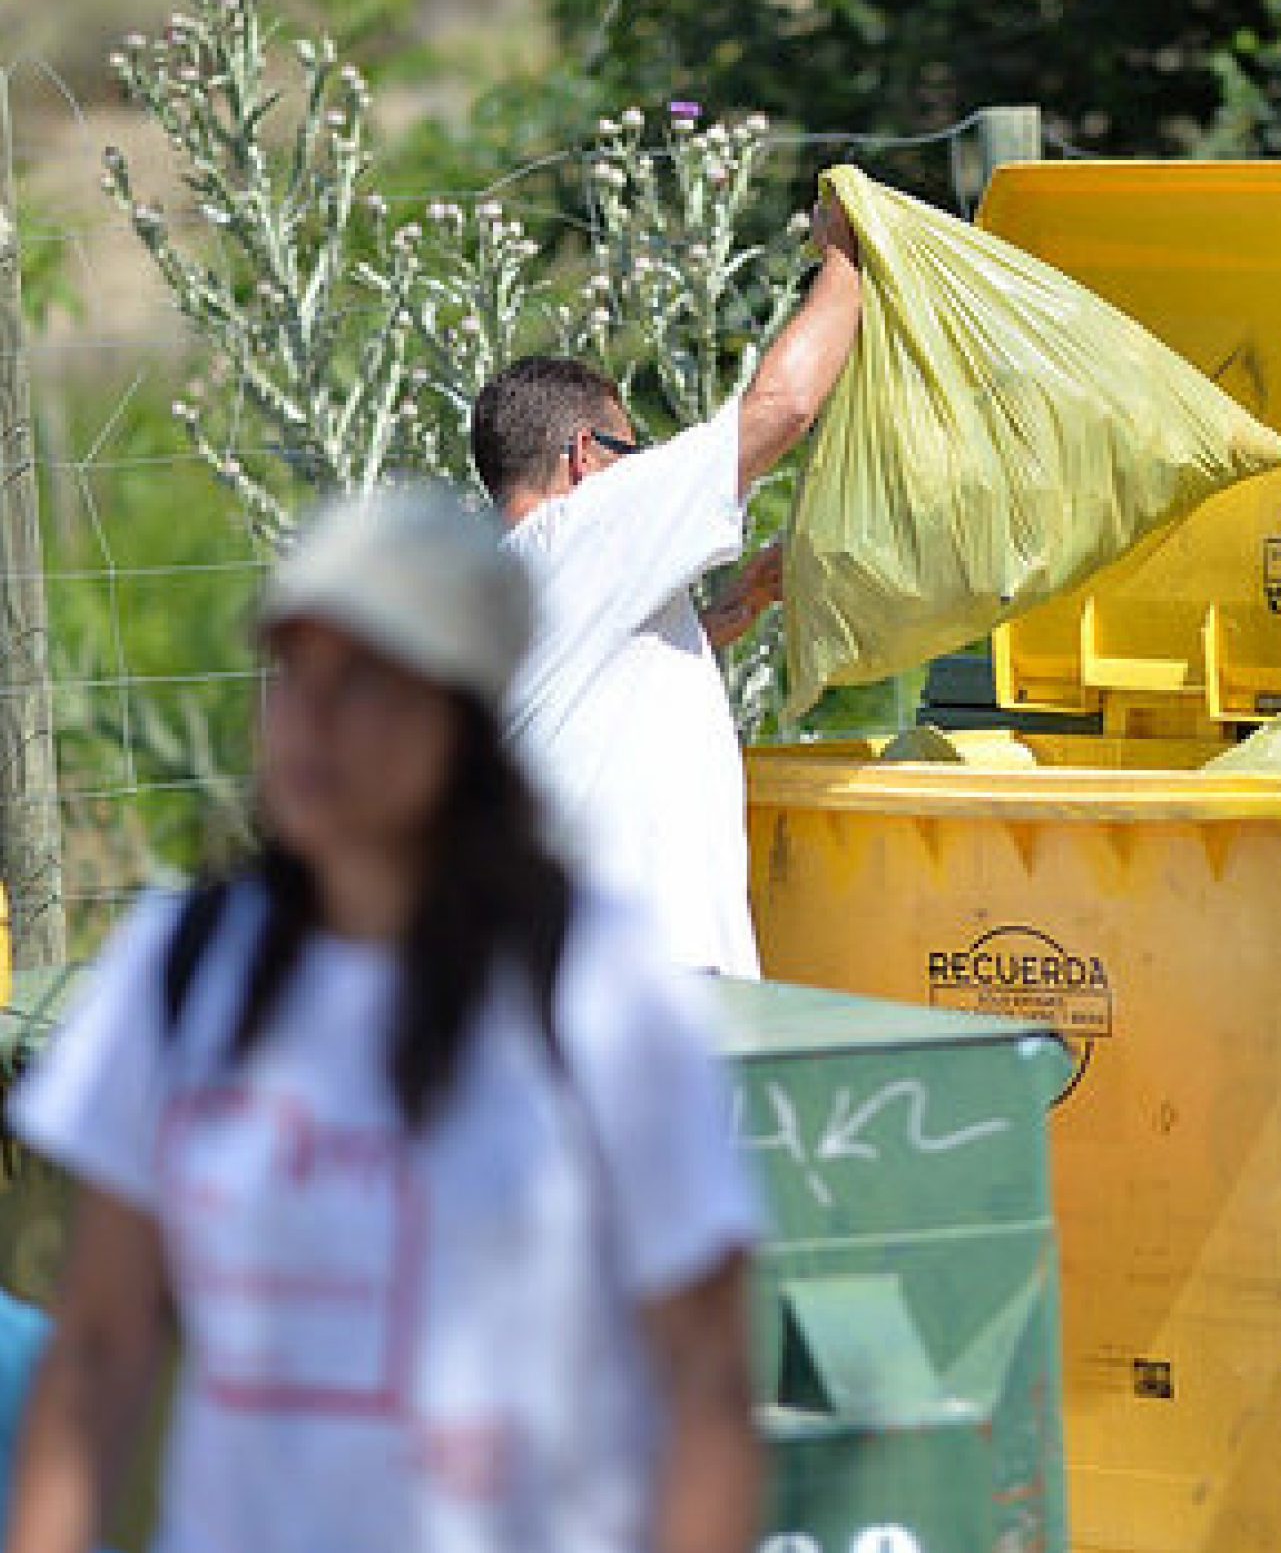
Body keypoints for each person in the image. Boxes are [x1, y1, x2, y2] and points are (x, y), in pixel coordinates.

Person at [5, 499, 764, 1553]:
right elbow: (95, 1347)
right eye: (291, 671)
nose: (310, 715)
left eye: (362, 677)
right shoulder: (179, 970)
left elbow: (706, 1382)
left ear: (463, 716)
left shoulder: (602, 988)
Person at [473, 202, 864, 978]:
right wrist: (848, 256)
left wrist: (729, 615)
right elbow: (781, 410)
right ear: (585, 456)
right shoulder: (581, 530)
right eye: (632, 449)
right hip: (650, 984)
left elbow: (586, 689)